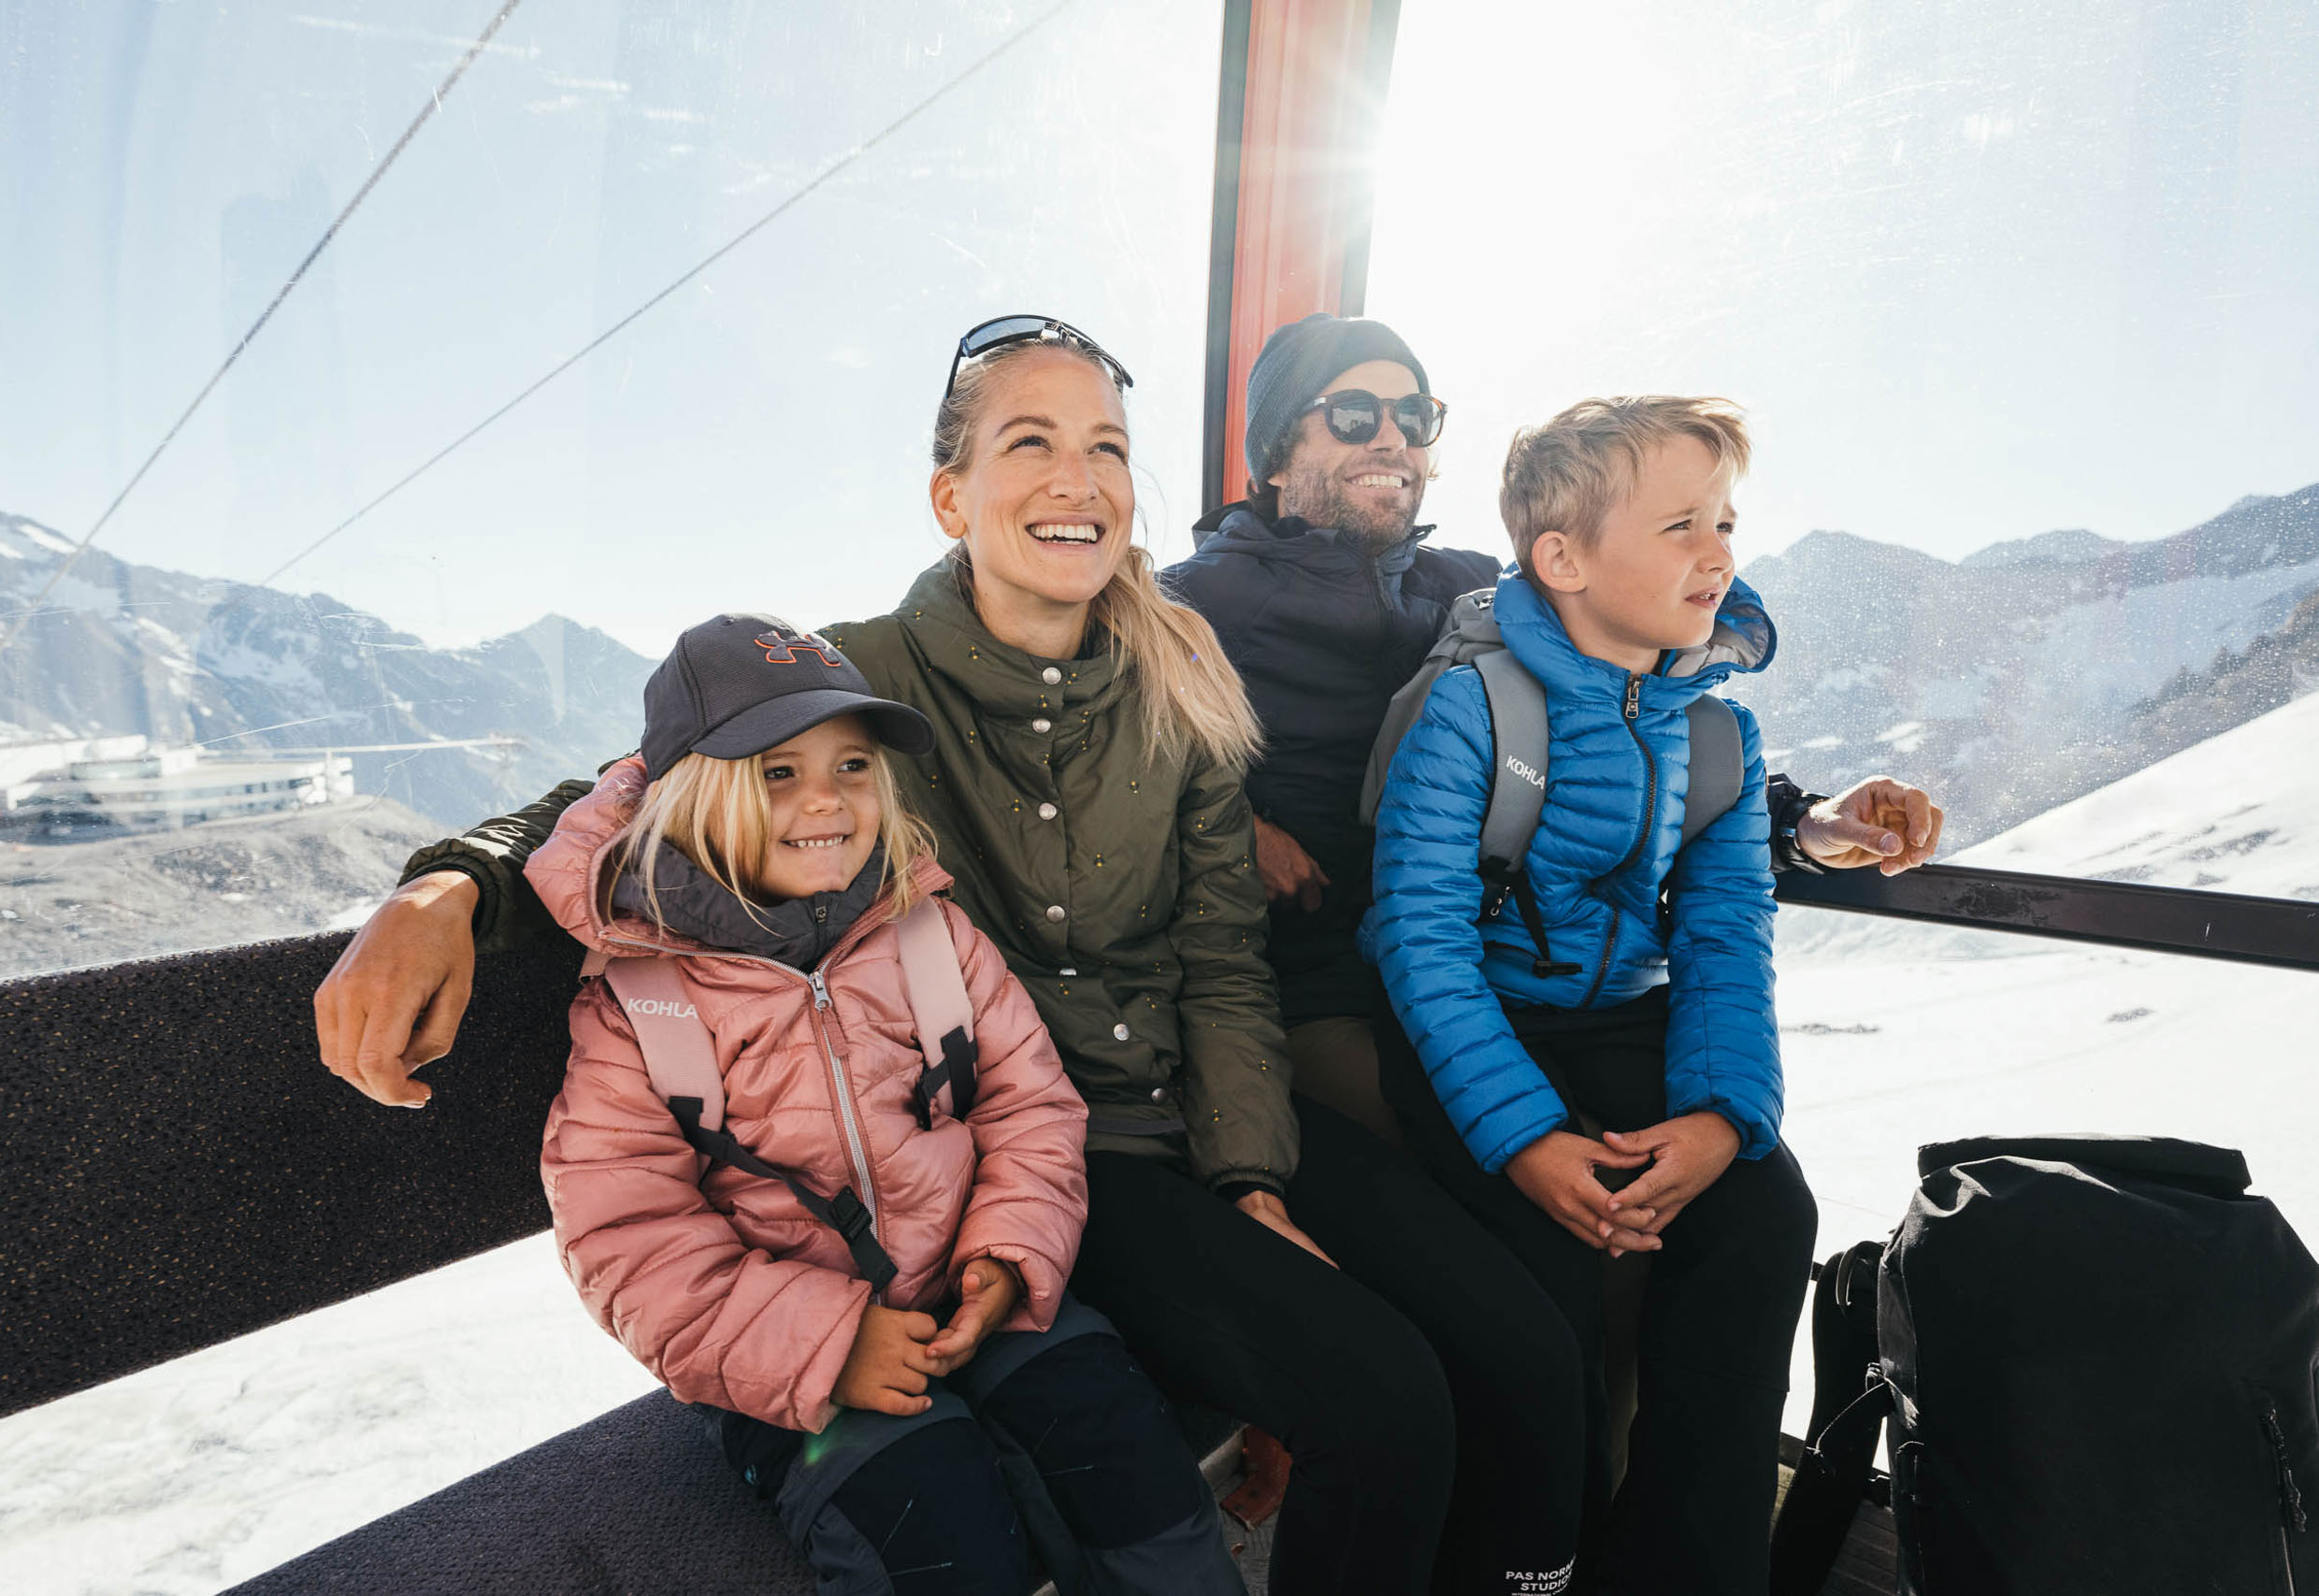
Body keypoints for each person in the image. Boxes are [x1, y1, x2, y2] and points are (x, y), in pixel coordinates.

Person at [315, 316, 1589, 1594]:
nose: (1075, 478)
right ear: (951, 495)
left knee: (1521, 1341)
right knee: (1387, 1403)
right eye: (1028, 441)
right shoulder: (859, 686)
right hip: (1055, 1154)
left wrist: (1255, 1174)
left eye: (1106, 447)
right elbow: (643, 792)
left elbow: (1220, 956)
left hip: (1206, 1120)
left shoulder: (1178, 676)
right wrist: (450, 884)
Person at [532, 614, 1235, 1594]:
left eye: (853, 766)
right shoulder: (644, 1006)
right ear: (695, 792)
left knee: (1134, 1471)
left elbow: (1030, 1108)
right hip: (791, 1361)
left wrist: (1007, 1254)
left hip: (977, 1293)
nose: (827, 799)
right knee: (937, 1533)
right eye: (778, 772)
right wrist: (830, 1345)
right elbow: (629, 1241)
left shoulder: (925, 936)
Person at [1162, 312, 1944, 1147]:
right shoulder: (1192, 606)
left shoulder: (1476, 591)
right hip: (1310, 978)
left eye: (1415, 416)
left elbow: (1624, 714)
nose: (1392, 438)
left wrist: (1802, 824)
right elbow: (1089, 766)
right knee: (1470, 1158)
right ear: (1278, 456)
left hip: (1483, 967)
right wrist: (1229, 829)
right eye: (1354, 414)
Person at [1364, 395, 1821, 1593]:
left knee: (1765, 1216)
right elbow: (1418, 937)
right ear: (1561, 560)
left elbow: (1726, 935)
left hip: (1625, 1016)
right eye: (1679, 525)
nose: (1718, 554)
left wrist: (1724, 1118)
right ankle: (1533, 1564)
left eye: (1723, 521)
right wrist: (1524, 1141)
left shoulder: (1715, 734)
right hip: (1479, 1023)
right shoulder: (1476, 707)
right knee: (1549, 1263)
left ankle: (1692, 1567)